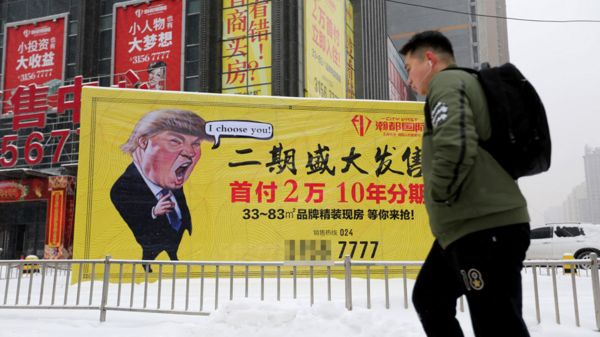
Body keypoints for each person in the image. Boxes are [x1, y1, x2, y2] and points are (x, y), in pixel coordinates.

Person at [400, 31, 531, 337]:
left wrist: (439, 195)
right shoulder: (460, 85)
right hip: (464, 228)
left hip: (484, 228)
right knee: (430, 297)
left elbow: (455, 144)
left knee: (497, 325)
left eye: (408, 68)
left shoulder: (446, 83)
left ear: (429, 60)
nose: (408, 80)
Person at [110, 109, 212, 271]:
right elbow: (136, 225)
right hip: (150, 252)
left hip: (176, 246)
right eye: (175, 141)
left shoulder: (169, 180)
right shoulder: (123, 188)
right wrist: (154, 212)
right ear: (143, 142)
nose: (191, 152)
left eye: (196, 144)